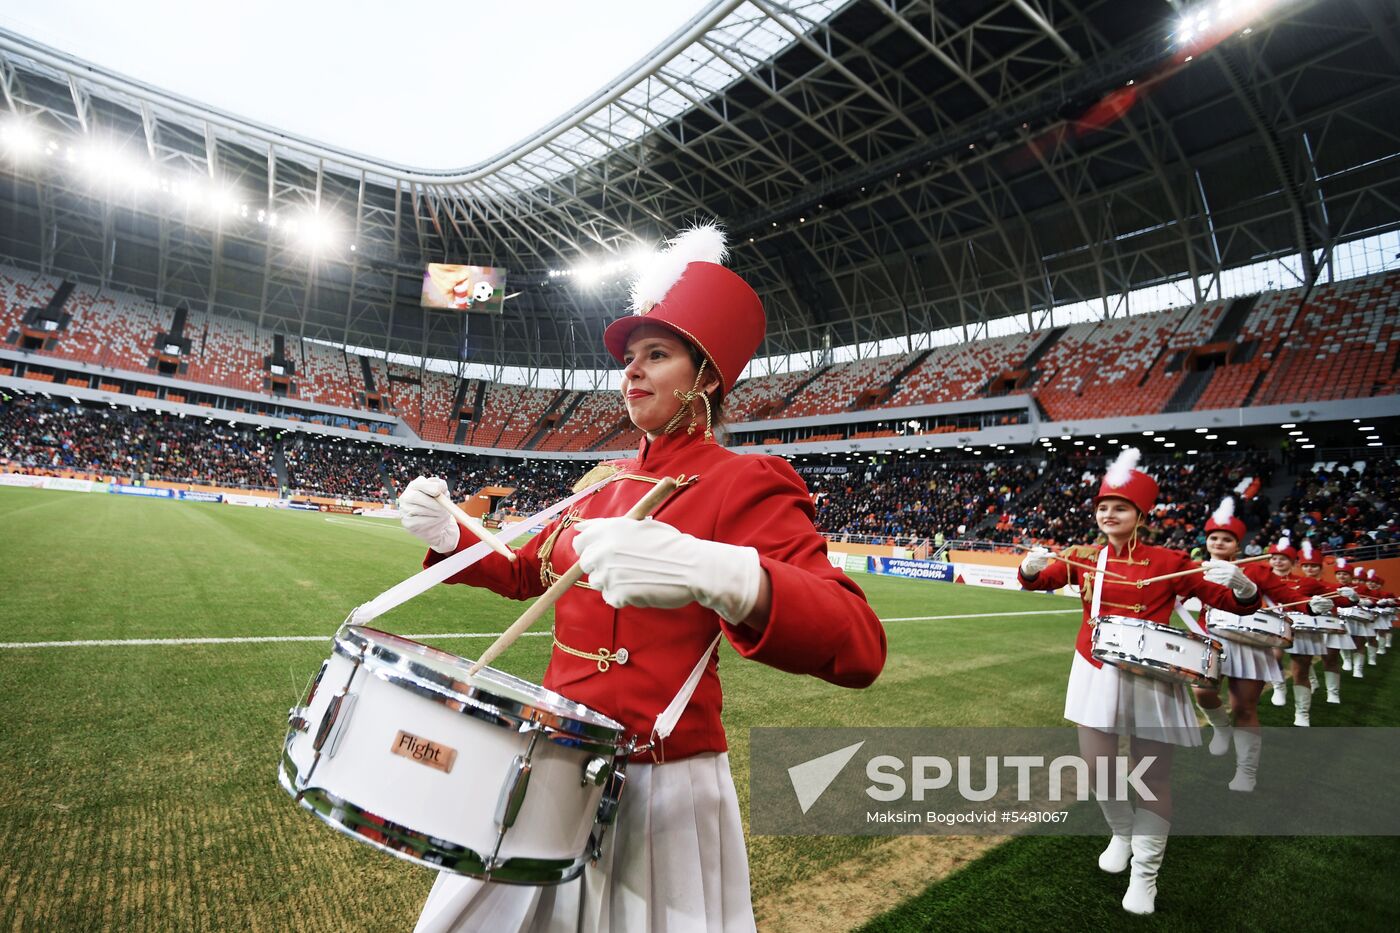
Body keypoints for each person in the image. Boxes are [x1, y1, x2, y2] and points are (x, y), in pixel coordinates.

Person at [397, 225, 887, 933]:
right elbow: (525, 568)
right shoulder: (601, 480)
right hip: (552, 757)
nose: (631, 371)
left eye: (656, 355)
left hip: (663, 783)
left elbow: (859, 643)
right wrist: (452, 533)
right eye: (629, 358)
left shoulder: (746, 482)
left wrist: (710, 568)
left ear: (708, 377)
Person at [1017, 449, 1261, 916]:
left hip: (1153, 678)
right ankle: (1122, 831)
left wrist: (1244, 587)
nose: (1109, 514)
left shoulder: (1169, 559)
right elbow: (1042, 579)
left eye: (1121, 508)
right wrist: (1029, 569)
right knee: (1099, 769)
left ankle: (1145, 876)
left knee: (1150, 777)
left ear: (1140, 516)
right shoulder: (1084, 557)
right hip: (1094, 670)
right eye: (1103, 507)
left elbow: (1226, 599)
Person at [1180, 497, 1280, 791]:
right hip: (1210, 640)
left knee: (1244, 707)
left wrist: (1318, 605)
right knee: (1201, 692)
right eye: (1214, 538)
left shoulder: (1257, 571)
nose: (1219, 542)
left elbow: (1284, 594)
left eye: (1227, 539)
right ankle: (1220, 728)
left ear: (1237, 546)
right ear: (1207, 542)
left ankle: (1246, 771)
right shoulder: (1196, 570)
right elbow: (1175, 597)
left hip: (1249, 644)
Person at [1260, 536, 1335, 725]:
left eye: (1283, 558)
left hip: (1301, 629)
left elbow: (1332, 592)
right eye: (1274, 557)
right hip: (1271, 627)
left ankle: (1302, 712)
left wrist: (1345, 598)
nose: (1277, 561)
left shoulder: (1307, 583)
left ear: (1294, 563)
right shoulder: (1259, 579)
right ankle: (1279, 685)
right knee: (1273, 657)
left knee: (1300, 670)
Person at [1297, 541, 1351, 703]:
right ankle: (1313, 683)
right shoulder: (1296, 586)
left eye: (1313, 566)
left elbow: (1343, 601)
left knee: (1330, 659)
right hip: (1303, 625)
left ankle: (1333, 692)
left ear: (1320, 568)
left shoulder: (1331, 586)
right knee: (1302, 659)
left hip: (1328, 624)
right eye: (1306, 566)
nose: (1309, 569)